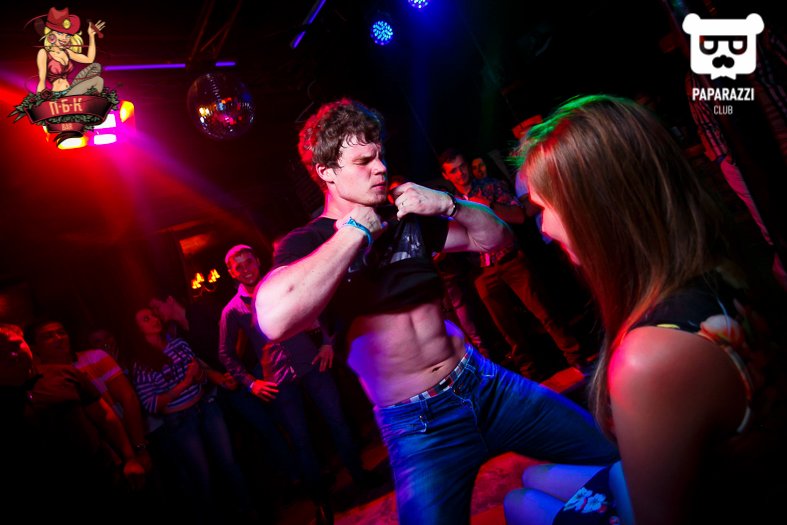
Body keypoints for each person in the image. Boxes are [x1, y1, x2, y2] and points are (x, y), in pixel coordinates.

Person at [254, 98, 618, 524]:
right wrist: (354, 232)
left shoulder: (403, 216)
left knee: (606, 454)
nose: (381, 168)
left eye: (380, 155)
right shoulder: (308, 243)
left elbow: (496, 239)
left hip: (484, 384)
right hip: (418, 424)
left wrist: (449, 204)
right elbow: (273, 320)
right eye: (364, 161)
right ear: (326, 172)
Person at [503, 94, 787, 525]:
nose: (544, 227)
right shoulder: (724, 263)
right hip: (735, 477)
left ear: (599, 211)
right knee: (536, 476)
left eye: (545, 208)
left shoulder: (649, 357)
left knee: (520, 503)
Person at [220, 243, 379, 524]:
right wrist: (251, 383)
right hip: (278, 381)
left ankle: (360, 476)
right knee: (301, 441)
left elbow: (314, 305)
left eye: (249, 262)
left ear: (258, 261)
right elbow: (225, 353)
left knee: (338, 422)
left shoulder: (281, 284)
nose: (246, 269)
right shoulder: (232, 311)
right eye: (238, 266)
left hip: (312, 364)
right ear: (231, 273)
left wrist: (327, 342)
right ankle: (321, 501)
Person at [440, 147, 586, 379]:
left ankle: (577, 359)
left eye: (462, 167)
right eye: (453, 171)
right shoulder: (452, 205)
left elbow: (519, 216)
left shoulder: (490, 186)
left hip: (510, 260)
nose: (460, 174)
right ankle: (531, 377)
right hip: (482, 272)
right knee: (508, 330)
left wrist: (488, 206)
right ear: (446, 176)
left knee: (545, 313)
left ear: (467, 165)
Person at [131, 307, 255, 523]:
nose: (154, 319)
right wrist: (186, 382)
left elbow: (202, 374)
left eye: (153, 315)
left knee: (229, 462)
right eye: (146, 319)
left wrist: (204, 377)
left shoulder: (178, 344)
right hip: (180, 422)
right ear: (137, 330)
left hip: (205, 407)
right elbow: (151, 404)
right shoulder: (141, 365)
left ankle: (249, 511)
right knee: (202, 475)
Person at [31, 7, 106, 96]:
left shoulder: (67, 52)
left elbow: (90, 59)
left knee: (97, 69)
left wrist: (91, 36)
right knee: (97, 80)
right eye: (60, 34)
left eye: (67, 35)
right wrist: (39, 101)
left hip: (71, 91)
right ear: (50, 35)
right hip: (58, 95)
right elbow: (42, 80)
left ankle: (91, 100)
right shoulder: (44, 53)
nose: (64, 38)